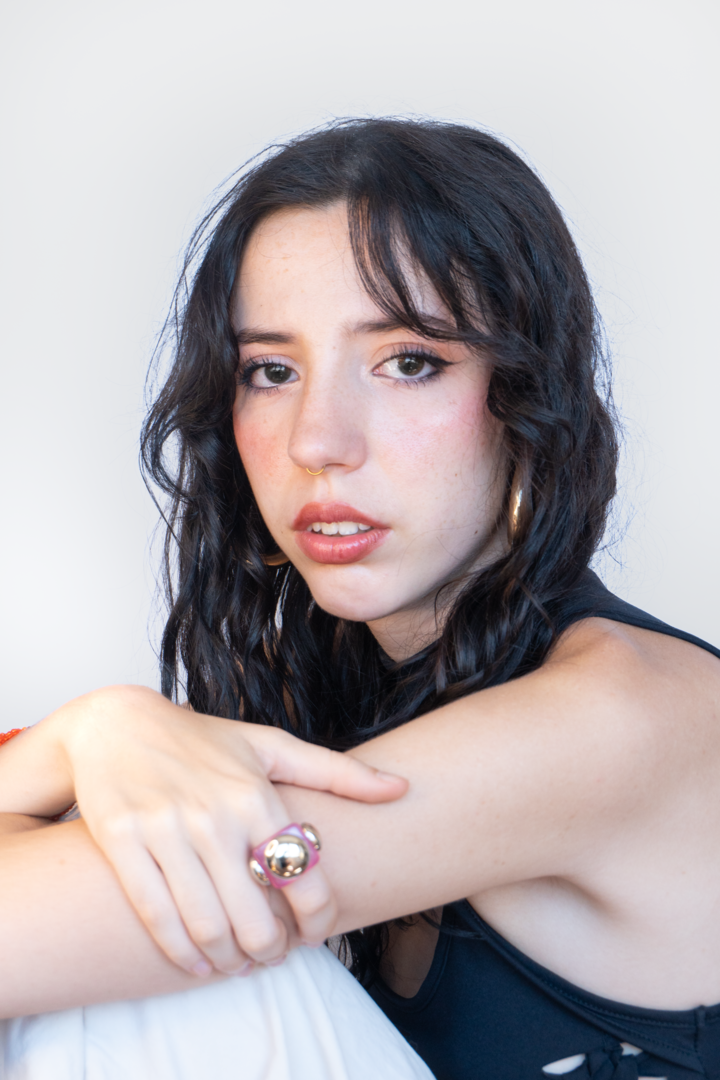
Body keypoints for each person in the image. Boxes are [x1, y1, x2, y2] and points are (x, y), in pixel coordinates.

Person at [2, 118, 720, 1080]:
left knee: (163, 961)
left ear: (525, 398)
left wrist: (81, 741)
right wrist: (75, 740)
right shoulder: (337, 685)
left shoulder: (621, 717)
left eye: (409, 361)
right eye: (271, 371)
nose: (317, 441)